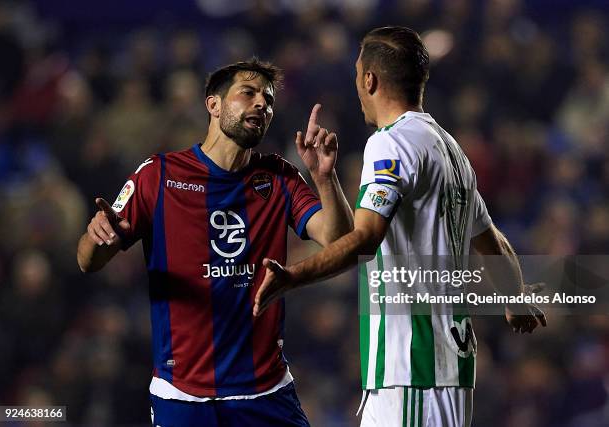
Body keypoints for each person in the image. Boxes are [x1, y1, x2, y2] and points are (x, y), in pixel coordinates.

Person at [253, 27, 547, 427]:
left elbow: (366, 240)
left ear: (369, 79)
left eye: (357, 74)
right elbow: (491, 238)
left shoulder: (390, 143)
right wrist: (514, 298)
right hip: (439, 367)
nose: (356, 85)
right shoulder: (449, 149)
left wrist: (291, 277)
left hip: (414, 367)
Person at [76, 58, 353, 427]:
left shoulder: (278, 177)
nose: (262, 104)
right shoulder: (158, 175)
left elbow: (340, 241)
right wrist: (96, 236)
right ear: (214, 104)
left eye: (268, 100)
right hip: (183, 396)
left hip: (265, 393)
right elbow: (88, 261)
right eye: (249, 93)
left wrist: (324, 178)